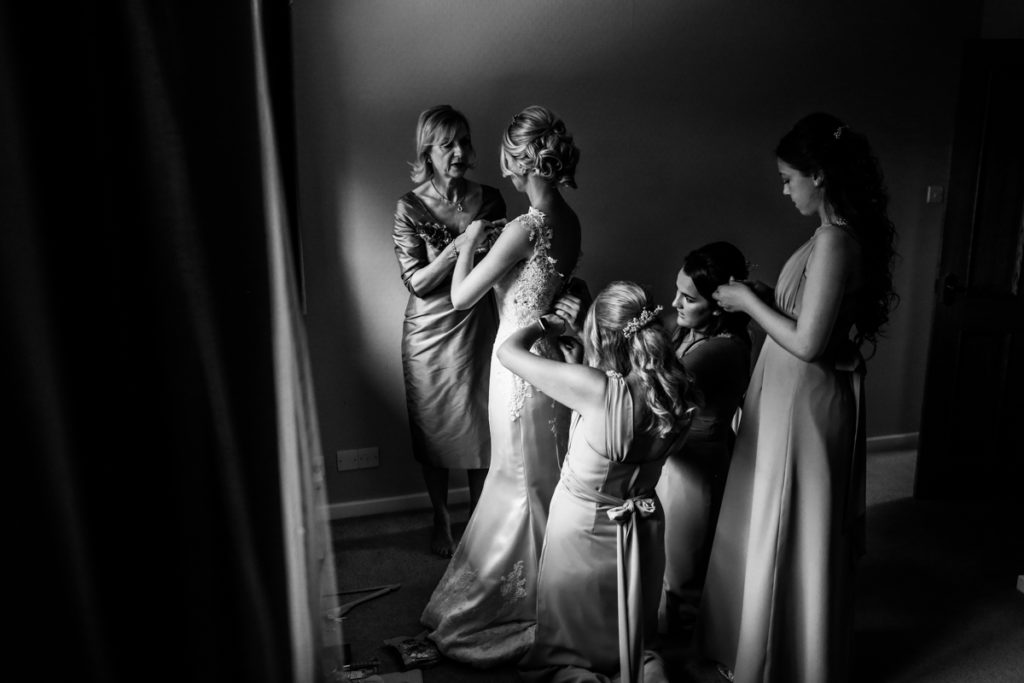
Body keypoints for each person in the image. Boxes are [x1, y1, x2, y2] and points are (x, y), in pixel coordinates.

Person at [699, 113, 899, 683]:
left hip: (806, 404)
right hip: (791, 394)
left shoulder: (835, 241)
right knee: (771, 517)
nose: (784, 188)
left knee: (789, 523)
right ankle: (769, 644)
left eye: (790, 178)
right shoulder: (827, 237)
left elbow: (810, 342)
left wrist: (746, 302)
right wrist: (766, 297)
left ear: (820, 175)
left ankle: (785, 660)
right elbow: (813, 320)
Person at [420, 105, 583, 666]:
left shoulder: (524, 227)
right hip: (548, 362)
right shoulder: (569, 219)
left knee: (516, 478)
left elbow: (463, 296)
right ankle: (556, 583)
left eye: (507, 162)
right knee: (543, 475)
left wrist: (467, 245)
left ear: (524, 161)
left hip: (514, 367)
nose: (505, 174)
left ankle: (516, 597)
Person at [506, 281, 695, 683]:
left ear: (603, 336)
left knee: (569, 653)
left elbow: (508, 353)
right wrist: (586, 368)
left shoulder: (597, 390)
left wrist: (546, 325)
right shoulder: (678, 388)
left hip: (584, 527)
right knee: (634, 640)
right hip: (642, 528)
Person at [392, 105, 506, 557]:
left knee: (481, 423)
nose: (459, 152)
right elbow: (416, 281)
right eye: (447, 144)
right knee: (433, 429)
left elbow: (502, 264)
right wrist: (460, 246)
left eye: (463, 141)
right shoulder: (408, 206)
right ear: (428, 151)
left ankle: (478, 518)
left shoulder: (491, 198)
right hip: (429, 332)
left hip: (479, 323)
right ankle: (440, 517)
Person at [657, 242, 752, 643]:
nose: (675, 302)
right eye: (677, 291)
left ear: (720, 305)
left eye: (688, 298)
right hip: (674, 461)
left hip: (697, 471)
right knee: (664, 561)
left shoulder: (719, 350)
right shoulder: (691, 330)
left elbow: (656, 396)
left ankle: (688, 648)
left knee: (684, 571)